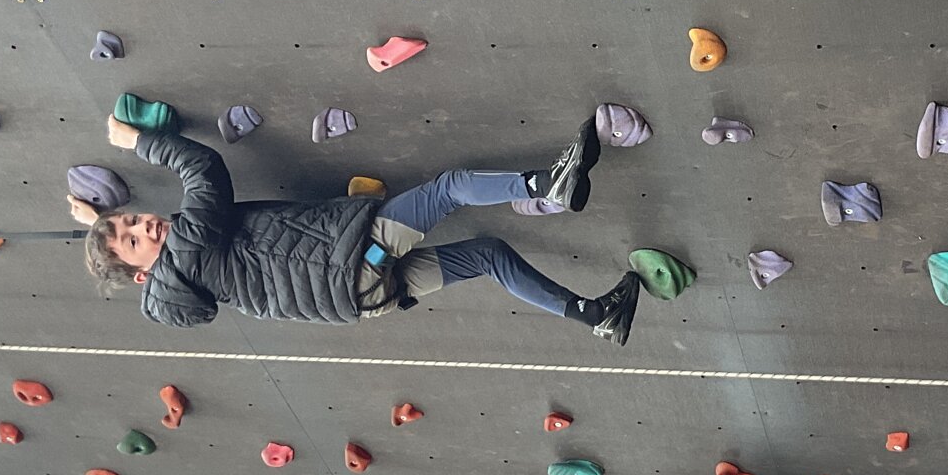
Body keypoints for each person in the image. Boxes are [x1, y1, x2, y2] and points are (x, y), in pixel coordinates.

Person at [71, 111, 642, 343]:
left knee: (489, 255)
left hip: (361, 299)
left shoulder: (182, 278)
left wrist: (100, 223)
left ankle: (594, 315)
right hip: (349, 257)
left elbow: (160, 246)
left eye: (132, 220)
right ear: (143, 272)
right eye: (132, 236)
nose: (144, 222)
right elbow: (203, 171)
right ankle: (548, 187)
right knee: (448, 188)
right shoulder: (188, 249)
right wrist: (137, 141)